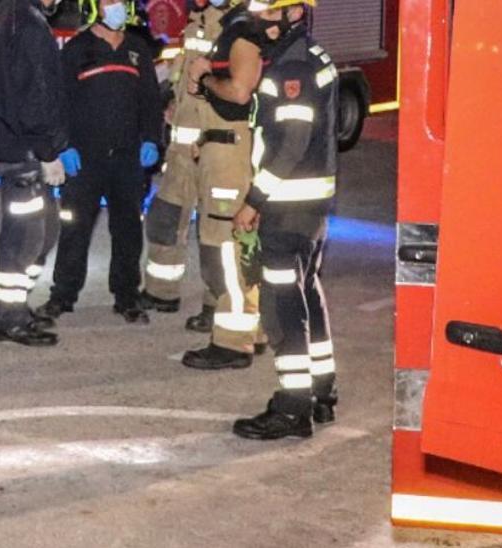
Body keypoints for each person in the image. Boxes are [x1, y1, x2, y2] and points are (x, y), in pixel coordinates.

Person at [226, 0, 338, 441]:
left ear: (295, 13)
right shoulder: (313, 55)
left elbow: (291, 145)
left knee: (281, 308)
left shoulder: (293, 69)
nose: (262, 23)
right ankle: (321, 391)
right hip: (310, 207)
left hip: (288, 207)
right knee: (307, 293)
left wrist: (253, 200)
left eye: (271, 14)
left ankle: (293, 409)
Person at [34, 0, 163, 324]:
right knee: (74, 227)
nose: (117, 7)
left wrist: (151, 138)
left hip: (127, 158)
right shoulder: (77, 49)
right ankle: (62, 295)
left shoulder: (137, 49)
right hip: (85, 158)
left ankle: (127, 296)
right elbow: (58, 102)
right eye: (109, 1)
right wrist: (63, 146)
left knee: (128, 229)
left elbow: (150, 100)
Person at [176, 0, 267, 365]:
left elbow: (240, 92)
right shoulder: (232, 28)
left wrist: (203, 77)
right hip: (220, 148)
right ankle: (252, 331)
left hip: (230, 156)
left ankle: (232, 343)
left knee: (227, 249)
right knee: (234, 248)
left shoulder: (242, 32)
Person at [0, 0, 71, 347]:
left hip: (16, 147)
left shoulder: (12, 15)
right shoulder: (29, 25)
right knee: (27, 239)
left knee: (38, 233)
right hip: (26, 152)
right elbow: (36, 96)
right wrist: (48, 152)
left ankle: (11, 306)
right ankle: (10, 318)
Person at [138, 0, 231, 324]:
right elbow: (185, 74)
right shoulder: (196, 20)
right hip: (181, 150)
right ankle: (161, 292)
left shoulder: (237, 24)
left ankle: (217, 304)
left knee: (216, 232)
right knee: (164, 218)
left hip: (217, 149)